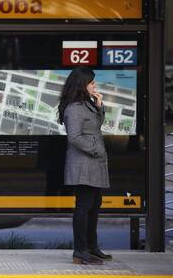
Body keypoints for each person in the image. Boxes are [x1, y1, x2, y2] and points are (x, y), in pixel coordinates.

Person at [58, 66, 112, 265]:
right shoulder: (74, 108)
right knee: (84, 207)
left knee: (94, 206)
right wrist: (96, 149)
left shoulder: (86, 105)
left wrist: (99, 106)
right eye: (92, 83)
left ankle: (91, 247)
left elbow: (97, 125)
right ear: (82, 85)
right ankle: (80, 251)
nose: (95, 86)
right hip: (83, 164)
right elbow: (74, 137)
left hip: (93, 164)